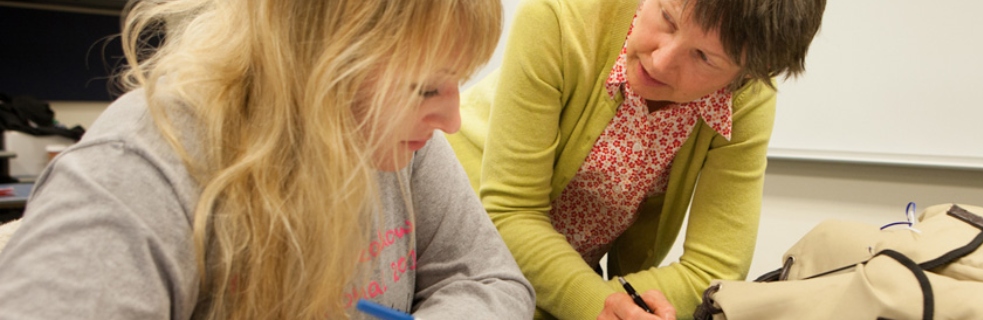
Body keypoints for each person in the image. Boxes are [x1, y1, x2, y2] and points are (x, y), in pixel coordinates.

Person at [0, 0, 535, 319]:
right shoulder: (138, 170)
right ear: (318, 60)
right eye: (424, 90)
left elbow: (493, 282)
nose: (453, 122)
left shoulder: (391, 142)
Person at [447, 0, 826, 318]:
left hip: (565, 281)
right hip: (450, 245)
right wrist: (600, 304)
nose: (661, 62)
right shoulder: (560, 20)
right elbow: (512, 213)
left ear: (750, 72)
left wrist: (610, 304)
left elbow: (715, 270)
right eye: (667, 18)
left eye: (704, 57)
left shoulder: (746, 97)